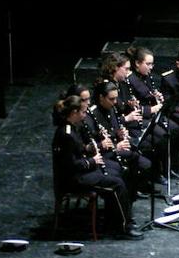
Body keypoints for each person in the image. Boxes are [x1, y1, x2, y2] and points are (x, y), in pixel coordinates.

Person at [52, 95, 143, 239]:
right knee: (116, 183)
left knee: (118, 170)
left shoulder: (74, 127)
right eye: (82, 112)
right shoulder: (66, 134)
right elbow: (70, 165)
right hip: (74, 179)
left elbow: (80, 149)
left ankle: (114, 219)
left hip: (81, 171)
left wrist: (91, 148)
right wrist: (93, 161)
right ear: (74, 113)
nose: (84, 115)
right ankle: (124, 227)